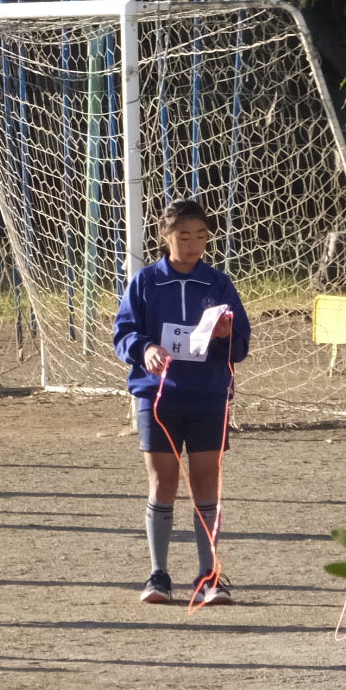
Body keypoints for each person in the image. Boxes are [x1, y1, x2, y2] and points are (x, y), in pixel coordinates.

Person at [111, 199, 251, 608]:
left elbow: (240, 344)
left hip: (209, 395)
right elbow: (123, 333)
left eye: (201, 236)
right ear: (165, 237)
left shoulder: (218, 283)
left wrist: (226, 334)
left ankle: (210, 576)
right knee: (163, 483)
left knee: (206, 484)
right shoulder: (145, 283)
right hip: (159, 398)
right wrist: (146, 349)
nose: (193, 245)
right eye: (184, 236)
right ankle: (158, 575)